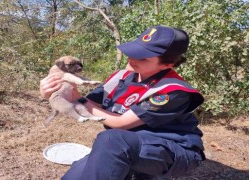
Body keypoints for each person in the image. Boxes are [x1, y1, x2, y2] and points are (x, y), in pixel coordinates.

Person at [40, 25, 206, 180]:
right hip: (126, 144)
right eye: (134, 51)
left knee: (110, 140)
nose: (132, 58)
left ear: (167, 65)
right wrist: (51, 93)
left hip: (172, 149)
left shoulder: (172, 91)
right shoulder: (121, 77)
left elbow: (120, 123)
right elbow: (84, 103)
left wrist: (78, 99)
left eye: (143, 57)